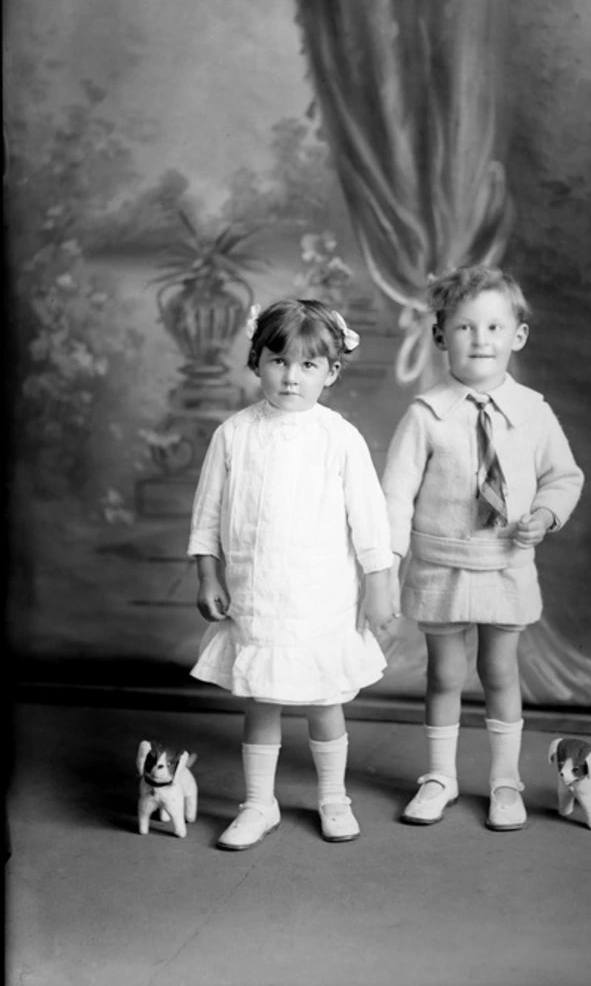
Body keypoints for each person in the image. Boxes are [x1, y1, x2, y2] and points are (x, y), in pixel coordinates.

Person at [188, 298, 396, 850]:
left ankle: (334, 797)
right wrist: (208, 576)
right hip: (258, 597)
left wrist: (380, 587)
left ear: (331, 372)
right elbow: (208, 515)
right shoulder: (234, 434)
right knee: (263, 700)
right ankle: (259, 803)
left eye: (308, 365)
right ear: (256, 361)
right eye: (278, 361)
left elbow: (370, 519)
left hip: (321, 596)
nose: (290, 376)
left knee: (325, 700)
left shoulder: (339, 437)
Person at [382, 266, 584, 831]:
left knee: (500, 672)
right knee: (445, 675)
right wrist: (388, 563)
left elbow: (563, 477)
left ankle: (504, 782)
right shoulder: (426, 415)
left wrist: (544, 515)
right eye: (465, 327)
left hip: (505, 566)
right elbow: (395, 494)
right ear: (441, 336)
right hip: (441, 566)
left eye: (495, 326)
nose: (481, 339)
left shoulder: (533, 412)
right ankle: (440, 777)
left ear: (517, 336)